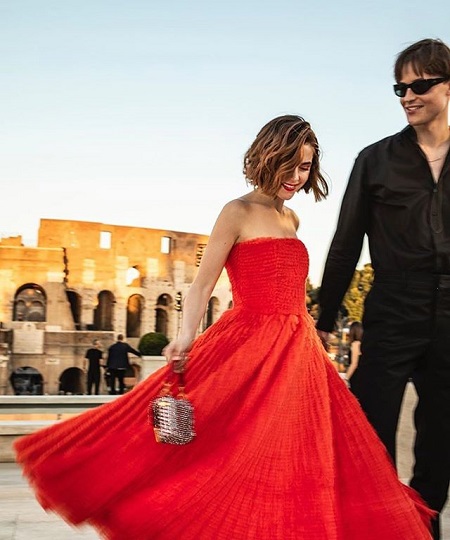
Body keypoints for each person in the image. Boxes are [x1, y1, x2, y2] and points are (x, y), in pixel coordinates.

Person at [14, 115, 433, 539]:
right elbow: (201, 286)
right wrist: (184, 337)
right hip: (249, 345)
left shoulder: (292, 220)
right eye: (289, 163)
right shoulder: (237, 211)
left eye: (305, 167)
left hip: (298, 353)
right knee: (230, 451)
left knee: (299, 457)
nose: (295, 176)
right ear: (267, 156)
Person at [316, 38, 450, 540]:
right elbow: (345, 244)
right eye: (400, 87)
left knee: (441, 449)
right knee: (370, 439)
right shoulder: (374, 160)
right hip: (392, 307)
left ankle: (423, 527)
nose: (408, 96)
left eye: (420, 85)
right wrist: (322, 320)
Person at [345, 321, 363, 386]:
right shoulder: (363, 344)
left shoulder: (355, 344)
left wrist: (346, 378)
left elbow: (354, 364)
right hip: (362, 375)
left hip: (356, 376)